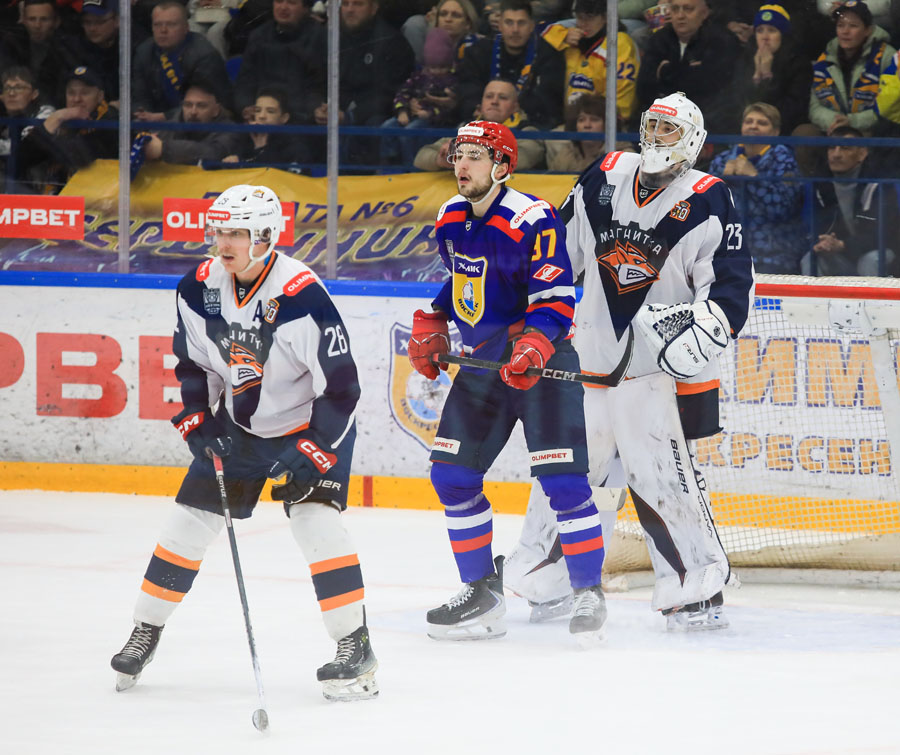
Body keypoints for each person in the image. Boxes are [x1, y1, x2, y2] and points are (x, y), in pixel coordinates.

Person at [110, 184, 379, 702]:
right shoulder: (198, 288)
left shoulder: (301, 295)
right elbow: (195, 363)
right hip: (239, 428)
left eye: (236, 233)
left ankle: (355, 644)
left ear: (266, 237)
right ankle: (146, 629)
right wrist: (198, 416)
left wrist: (314, 448)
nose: (223, 242)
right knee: (188, 524)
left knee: (317, 524)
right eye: (219, 231)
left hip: (309, 427)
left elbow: (342, 389)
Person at [506, 92, 755, 630]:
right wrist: (526, 312)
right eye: (652, 125)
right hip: (590, 357)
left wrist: (702, 333)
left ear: (692, 140)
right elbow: (558, 253)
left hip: (657, 367)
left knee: (660, 477)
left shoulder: (710, 197)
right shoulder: (606, 173)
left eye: (670, 130)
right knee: (569, 471)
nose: (657, 137)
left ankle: (694, 588)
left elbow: (732, 286)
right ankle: (547, 578)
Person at [408, 120, 608, 642]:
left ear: (502, 166)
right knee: (451, 476)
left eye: (475, 155)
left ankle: (588, 590)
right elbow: (465, 281)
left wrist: (536, 343)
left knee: (564, 484)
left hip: (538, 364)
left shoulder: (533, 217)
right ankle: (481, 593)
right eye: (458, 154)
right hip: (483, 364)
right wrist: (434, 318)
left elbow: (555, 295)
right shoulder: (451, 218)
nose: (462, 164)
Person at [313, 0, 415, 169]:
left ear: (373, 8)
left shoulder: (392, 41)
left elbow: (389, 93)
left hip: (371, 115)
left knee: (374, 126)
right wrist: (318, 106)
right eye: (345, 4)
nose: (350, 9)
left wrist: (350, 116)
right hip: (334, 111)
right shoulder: (327, 37)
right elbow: (315, 81)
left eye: (358, 4)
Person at [709, 102, 807, 273]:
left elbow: (782, 209)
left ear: (775, 132)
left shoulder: (785, 161)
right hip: (726, 254)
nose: (753, 126)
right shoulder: (722, 160)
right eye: (749, 121)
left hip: (773, 257)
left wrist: (754, 177)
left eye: (762, 123)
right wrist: (721, 181)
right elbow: (706, 206)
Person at [636, 0, 741, 135]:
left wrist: (665, 72)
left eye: (688, 9)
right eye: (675, 9)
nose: (680, 16)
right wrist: (688, 72)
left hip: (705, 124)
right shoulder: (659, 39)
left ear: (704, 13)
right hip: (659, 121)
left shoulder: (723, 41)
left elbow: (711, 88)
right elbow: (644, 89)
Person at [457, 0, 566, 128]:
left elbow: (548, 99)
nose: (515, 30)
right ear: (500, 25)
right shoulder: (478, 52)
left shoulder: (549, 54)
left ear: (532, 26)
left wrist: (512, 110)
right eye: (509, 23)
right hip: (483, 121)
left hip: (530, 125)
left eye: (521, 23)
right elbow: (468, 89)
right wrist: (479, 107)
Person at [809, 125, 899, 274]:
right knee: (811, 258)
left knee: (870, 260)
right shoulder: (819, 183)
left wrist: (843, 244)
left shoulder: (879, 183)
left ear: (862, 154)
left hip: (879, 251)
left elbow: (882, 235)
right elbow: (813, 226)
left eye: (845, 148)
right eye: (831, 148)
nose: (836, 154)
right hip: (840, 253)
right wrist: (824, 242)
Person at [15, 65, 117, 192]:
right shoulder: (64, 121)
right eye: (71, 93)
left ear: (100, 96)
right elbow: (21, 159)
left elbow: (80, 155)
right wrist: (58, 117)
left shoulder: (111, 121)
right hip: (61, 198)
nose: (77, 99)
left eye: (85, 93)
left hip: (97, 198)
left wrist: (53, 128)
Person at [540, 0, 641, 124]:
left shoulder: (619, 43)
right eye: (580, 18)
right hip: (572, 123)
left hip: (608, 125)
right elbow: (538, 31)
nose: (583, 24)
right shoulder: (573, 44)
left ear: (606, 17)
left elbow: (622, 98)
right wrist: (563, 35)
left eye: (589, 18)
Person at [413, 78, 546, 170]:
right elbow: (420, 158)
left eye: (503, 98)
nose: (494, 101)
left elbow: (522, 160)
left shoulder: (526, 130)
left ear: (515, 107)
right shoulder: (466, 128)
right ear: (481, 103)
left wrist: (469, 155)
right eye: (489, 96)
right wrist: (439, 160)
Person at [132, 0, 231, 122]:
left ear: (186, 28)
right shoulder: (144, 51)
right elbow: (139, 95)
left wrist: (163, 117)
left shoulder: (204, 55)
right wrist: (143, 114)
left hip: (199, 122)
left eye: (171, 24)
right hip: (153, 122)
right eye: (157, 25)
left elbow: (204, 104)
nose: (163, 30)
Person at [234, 0, 327, 125]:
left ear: (305, 8)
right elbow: (245, 82)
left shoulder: (319, 37)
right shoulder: (258, 36)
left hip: (302, 122)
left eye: (291, 2)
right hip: (262, 117)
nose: (283, 7)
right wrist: (245, 106)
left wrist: (313, 111)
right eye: (279, 1)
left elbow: (318, 87)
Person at [732, 4, 813, 136]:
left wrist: (767, 76)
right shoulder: (745, 59)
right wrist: (756, 78)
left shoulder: (798, 62)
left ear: (783, 35)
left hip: (784, 129)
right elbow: (737, 101)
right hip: (749, 126)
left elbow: (794, 108)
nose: (765, 37)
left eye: (772, 30)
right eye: (760, 31)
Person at [139, 79, 240, 166]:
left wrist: (164, 149)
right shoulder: (170, 127)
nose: (193, 112)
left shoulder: (230, 131)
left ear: (216, 110)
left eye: (201, 106)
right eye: (188, 105)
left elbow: (214, 153)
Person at [545, 93, 635, 172]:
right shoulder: (565, 155)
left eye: (594, 120)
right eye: (581, 120)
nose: (587, 125)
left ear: (608, 125)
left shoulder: (624, 157)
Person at [223, 87, 310, 168]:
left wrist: (261, 148)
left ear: (284, 118)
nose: (261, 116)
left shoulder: (295, 147)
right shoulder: (246, 137)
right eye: (257, 110)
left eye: (270, 111)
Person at [0, 65, 56, 188]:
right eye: (7, 88)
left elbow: (26, 152)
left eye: (19, 88)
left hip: (38, 189)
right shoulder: (3, 116)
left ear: (34, 94)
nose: (11, 93)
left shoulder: (46, 113)